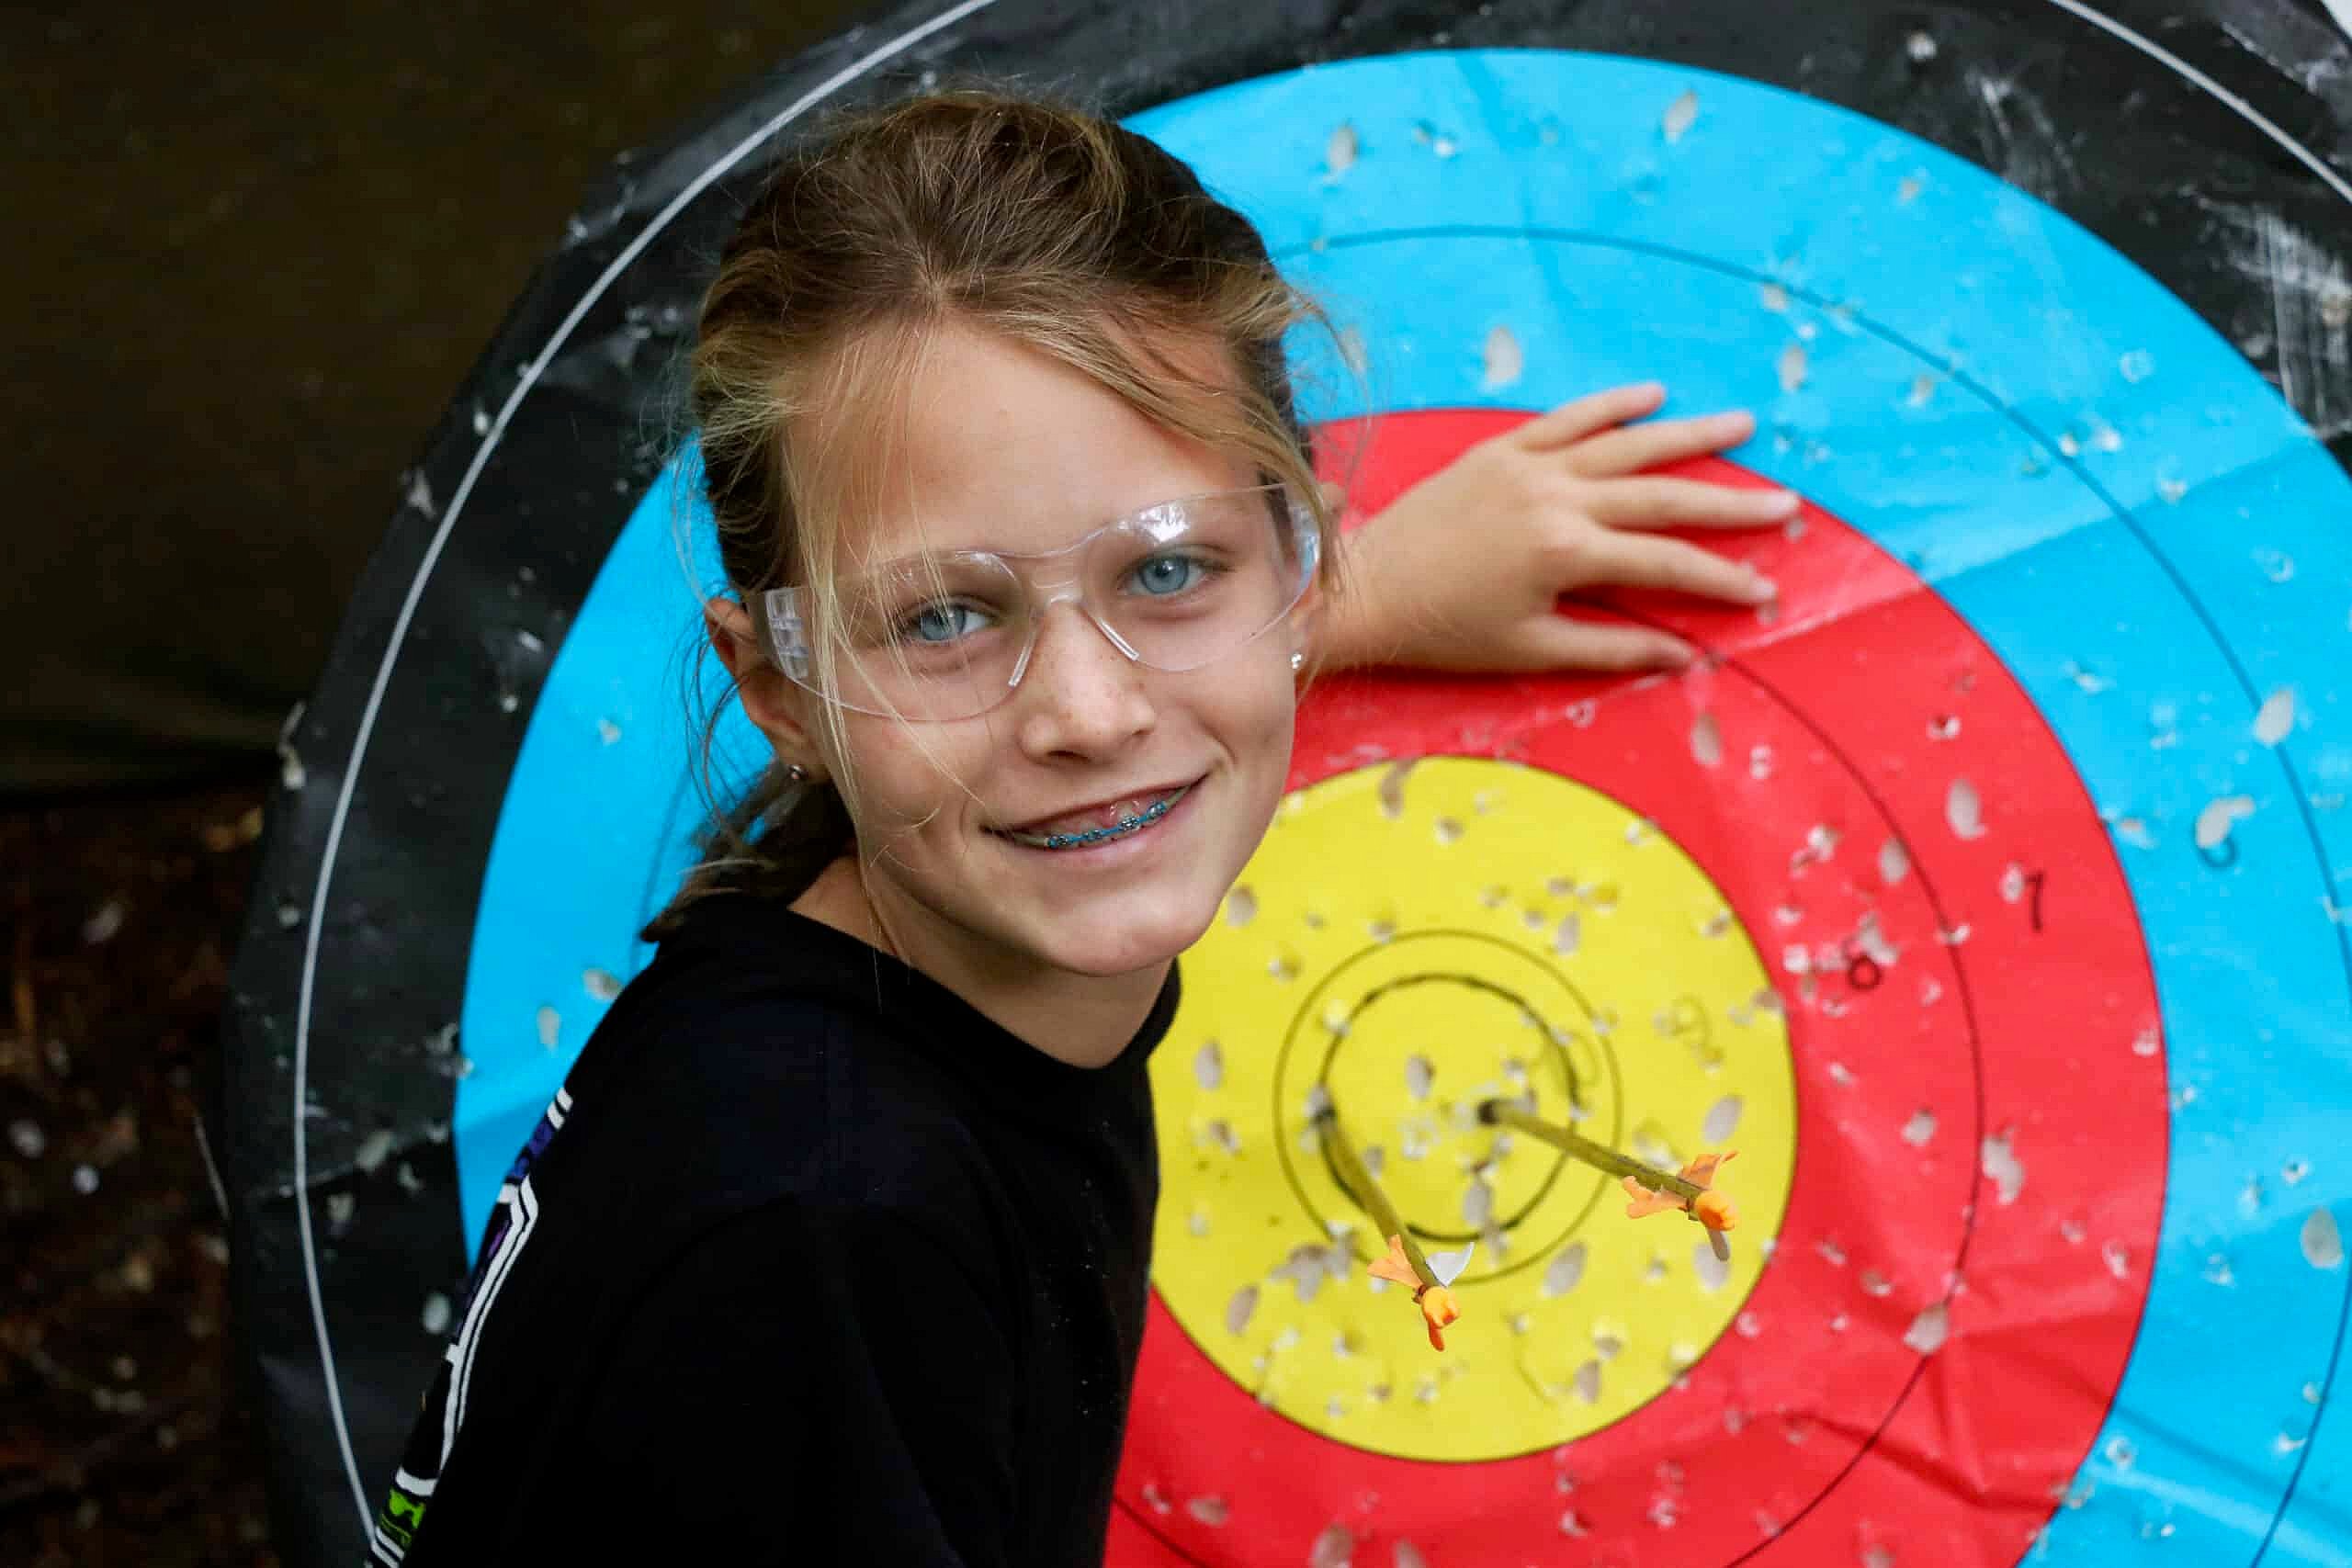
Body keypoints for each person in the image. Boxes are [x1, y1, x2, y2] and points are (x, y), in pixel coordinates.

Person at [365, 85, 1795, 1567]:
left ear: (1295, 570)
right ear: (778, 687)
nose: (1089, 714)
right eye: (944, 616)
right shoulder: (823, 1226)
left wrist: (1355, 606)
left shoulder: (823, 991)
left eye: (1172, 575)